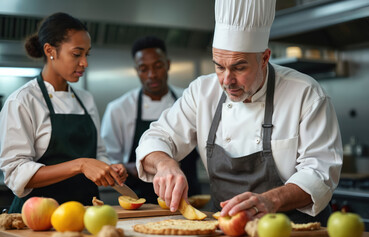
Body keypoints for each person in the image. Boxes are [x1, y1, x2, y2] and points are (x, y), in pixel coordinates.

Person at [135, 0, 343, 225]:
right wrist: (165, 164)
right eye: (219, 66)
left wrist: (270, 200)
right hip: (225, 230)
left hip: (295, 229)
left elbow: (320, 174)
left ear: (264, 58)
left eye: (239, 67)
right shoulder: (202, 92)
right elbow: (155, 139)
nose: (226, 81)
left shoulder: (306, 94)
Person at [0, 12, 127, 213]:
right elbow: (16, 173)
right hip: (38, 218)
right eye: (77, 54)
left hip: (86, 213)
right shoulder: (23, 101)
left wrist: (108, 168)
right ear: (50, 51)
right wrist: (80, 165)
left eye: (87, 54)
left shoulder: (86, 99)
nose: (85, 63)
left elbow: (98, 153)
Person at [101, 36, 201, 204]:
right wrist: (129, 167)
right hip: (138, 200)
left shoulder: (189, 101)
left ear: (168, 65)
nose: (152, 75)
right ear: (136, 70)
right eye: (143, 69)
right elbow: (108, 159)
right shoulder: (119, 109)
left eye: (158, 66)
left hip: (187, 196)